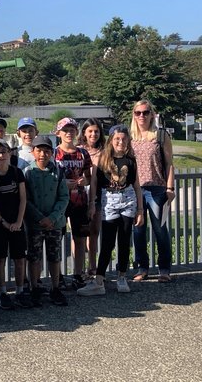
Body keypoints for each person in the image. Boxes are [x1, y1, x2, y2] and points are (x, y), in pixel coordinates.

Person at [79, 125, 145, 296]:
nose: (120, 142)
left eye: (123, 139)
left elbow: (136, 186)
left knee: (124, 240)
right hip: (109, 200)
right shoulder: (103, 159)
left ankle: (122, 276)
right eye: (117, 139)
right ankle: (99, 280)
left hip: (127, 200)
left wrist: (140, 210)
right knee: (107, 242)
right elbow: (94, 183)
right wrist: (92, 204)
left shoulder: (131, 160)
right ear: (111, 140)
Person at [130, 100, 175, 283]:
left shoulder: (161, 136)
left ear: (152, 114)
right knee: (138, 230)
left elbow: (169, 163)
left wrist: (170, 187)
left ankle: (164, 269)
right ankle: (142, 268)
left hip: (157, 188)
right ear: (133, 115)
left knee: (160, 229)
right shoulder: (130, 136)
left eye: (146, 112)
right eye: (138, 113)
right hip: (135, 189)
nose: (142, 116)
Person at [23, 135, 69, 307]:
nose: (43, 154)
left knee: (54, 256)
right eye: (39, 150)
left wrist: (53, 217)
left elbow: (64, 197)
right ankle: (34, 287)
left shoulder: (58, 171)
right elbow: (25, 200)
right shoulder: (27, 172)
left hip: (55, 223)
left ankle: (55, 288)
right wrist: (40, 217)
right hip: (35, 223)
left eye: (47, 151)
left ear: (52, 153)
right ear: (33, 151)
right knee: (34, 257)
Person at [0, 139, 31, 310]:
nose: (1, 155)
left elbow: (23, 198)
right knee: (0, 259)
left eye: (4, 151)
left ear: (9, 153)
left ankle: (20, 291)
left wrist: (19, 221)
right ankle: (2, 292)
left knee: (20, 259)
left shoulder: (17, 172)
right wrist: (3, 222)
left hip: (17, 222)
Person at [54, 117, 93, 288]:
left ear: (77, 132)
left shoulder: (83, 153)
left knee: (79, 238)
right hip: (59, 202)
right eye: (65, 131)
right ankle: (58, 275)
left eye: (72, 130)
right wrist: (62, 184)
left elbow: (89, 177)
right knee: (57, 238)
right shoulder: (54, 153)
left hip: (79, 201)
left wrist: (85, 181)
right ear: (59, 133)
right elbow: (48, 178)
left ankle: (78, 273)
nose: (69, 133)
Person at [78, 118, 106, 277]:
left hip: (98, 194)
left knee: (94, 231)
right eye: (90, 131)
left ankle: (92, 265)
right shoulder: (78, 150)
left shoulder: (104, 151)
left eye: (96, 131)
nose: (93, 134)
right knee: (79, 233)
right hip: (79, 195)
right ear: (84, 133)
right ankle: (78, 268)